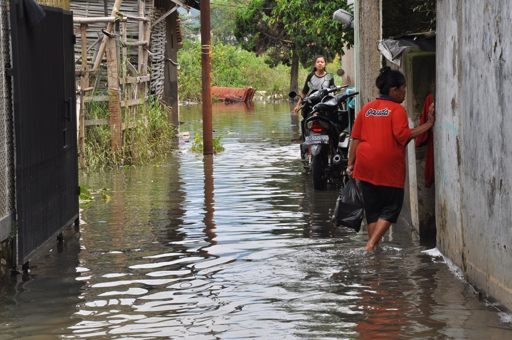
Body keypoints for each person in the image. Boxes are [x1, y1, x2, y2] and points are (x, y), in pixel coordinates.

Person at [346, 67, 435, 252]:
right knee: (392, 208)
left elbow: (355, 138)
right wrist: (428, 124)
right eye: (403, 88)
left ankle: (374, 255)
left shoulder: (366, 109)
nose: (404, 93)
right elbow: (403, 136)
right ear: (394, 90)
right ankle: (370, 245)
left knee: (373, 211)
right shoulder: (396, 110)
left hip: (364, 166)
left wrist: (350, 164)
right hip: (388, 167)